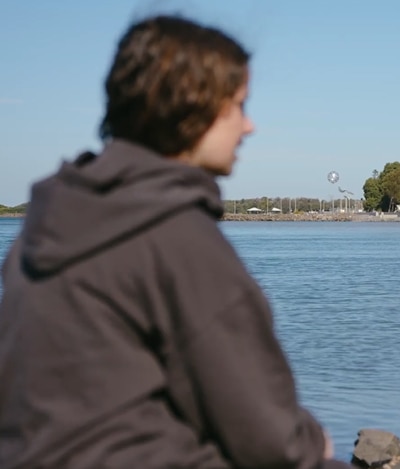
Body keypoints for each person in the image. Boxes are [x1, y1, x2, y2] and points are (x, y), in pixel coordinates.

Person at [0, 14, 350, 469]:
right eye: (239, 106)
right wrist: (315, 441)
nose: (249, 127)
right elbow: (273, 441)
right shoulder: (173, 235)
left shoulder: (47, 222)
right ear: (193, 106)